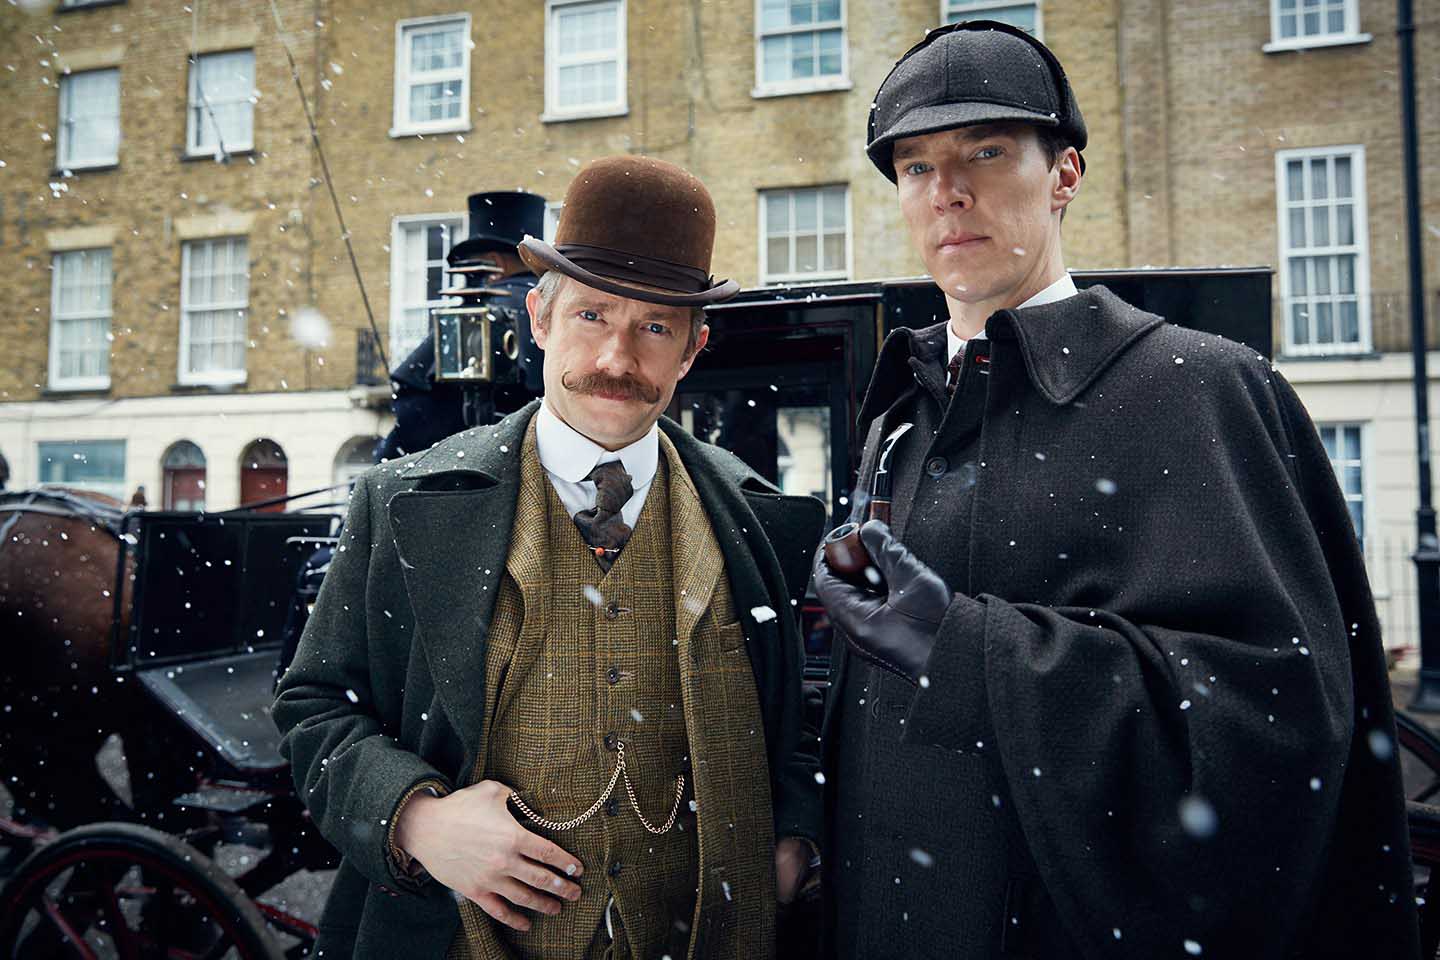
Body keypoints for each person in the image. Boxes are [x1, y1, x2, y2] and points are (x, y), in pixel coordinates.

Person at [810, 20, 1419, 959]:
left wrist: (960, 649)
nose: (947, 192)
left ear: (1065, 174)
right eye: (916, 166)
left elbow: (1275, 716)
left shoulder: (1195, 388)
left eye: (985, 152)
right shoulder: (901, 409)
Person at [274, 155, 825, 959]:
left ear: (693, 349)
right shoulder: (401, 502)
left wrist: (796, 840)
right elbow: (315, 707)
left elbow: (798, 724)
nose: (616, 360)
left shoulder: (760, 520)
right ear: (539, 317)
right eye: (591, 316)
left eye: (655, 327)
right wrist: (415, 819)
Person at [374, 191, 546, 463]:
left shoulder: (477, 312)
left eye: (470, 267)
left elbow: (415, 419)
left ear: (495, 264)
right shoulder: (560, 310)